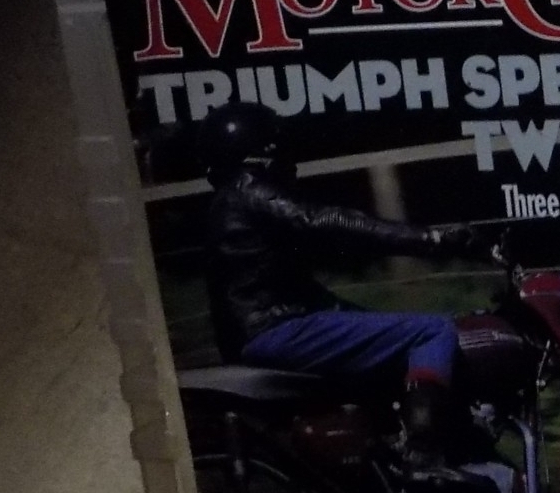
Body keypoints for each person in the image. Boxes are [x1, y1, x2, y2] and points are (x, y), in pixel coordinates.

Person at [199, 104, 481, 467]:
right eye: (279, 149)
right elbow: (320, 219)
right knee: (432, 331)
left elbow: (288, 287)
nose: (289, 161)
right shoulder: (250, 189)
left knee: (388, 337)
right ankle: (423, 455)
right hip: (279, 331)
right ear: (261, 153)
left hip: (259, 333)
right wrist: (431, 239)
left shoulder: (226, 205)